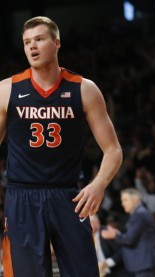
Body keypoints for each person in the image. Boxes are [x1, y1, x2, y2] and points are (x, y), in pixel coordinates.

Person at [0, 16, 123, 276]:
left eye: (40, 39)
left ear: (56, 43)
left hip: (69, 196)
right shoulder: (6, 90)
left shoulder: (84, 89)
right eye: (26, 42)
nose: (32, 47)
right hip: (22, 196)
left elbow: (113, 150)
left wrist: (98, 185)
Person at [101, 188, 155, 277]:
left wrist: (115, 235)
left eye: (125, 200)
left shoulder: (139, 214)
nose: (122, 204)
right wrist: (118, 234)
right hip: (145, 263)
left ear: (134, 200)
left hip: (145, 263)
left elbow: (130, 239)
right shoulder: (140, 213)